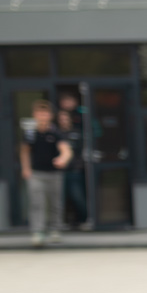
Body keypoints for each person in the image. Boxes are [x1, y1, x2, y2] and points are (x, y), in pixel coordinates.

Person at [18, 99, 71, 247]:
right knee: (37, 203)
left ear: (50, 115)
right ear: (35, 115)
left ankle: (55, 230)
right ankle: (38, 232)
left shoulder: (56, 133)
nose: (42, 116)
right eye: (40, 113)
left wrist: (63, 159)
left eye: (45, 113)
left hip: (54, 174)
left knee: (55, 203)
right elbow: (24, 152)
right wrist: (26, 168)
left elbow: (66, 150)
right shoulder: (30, 133)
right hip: (36, 174)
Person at [55, 90, 89, 230]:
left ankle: (82, 220)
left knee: (77, 196)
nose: (63, 121)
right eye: (61, 119)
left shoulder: (77, 132)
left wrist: (79, 164)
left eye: (65, 118)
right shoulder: (56, 134)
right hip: (59, 171)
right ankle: (63, 222)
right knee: (61, 199)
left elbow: (82, 150)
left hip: (75, 170)